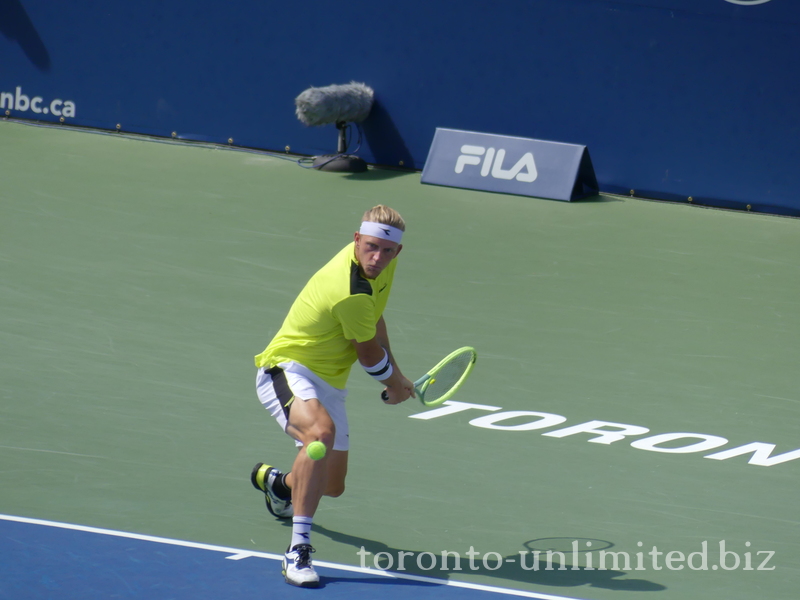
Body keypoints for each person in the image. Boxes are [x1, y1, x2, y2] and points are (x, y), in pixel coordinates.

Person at [251, 205, 415, 587]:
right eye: (371, 248)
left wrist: (400, 374)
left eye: (387, 251)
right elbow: (369, 355)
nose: (378, 258)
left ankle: (279, 485)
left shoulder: (380, 267)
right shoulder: (349, 290)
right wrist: (392, 383)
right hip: (288, 369)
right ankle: (298, 552)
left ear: (398, 252)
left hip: (330, 383)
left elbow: (375, 319)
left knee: (331, 485)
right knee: (318, 436)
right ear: (356, 240)